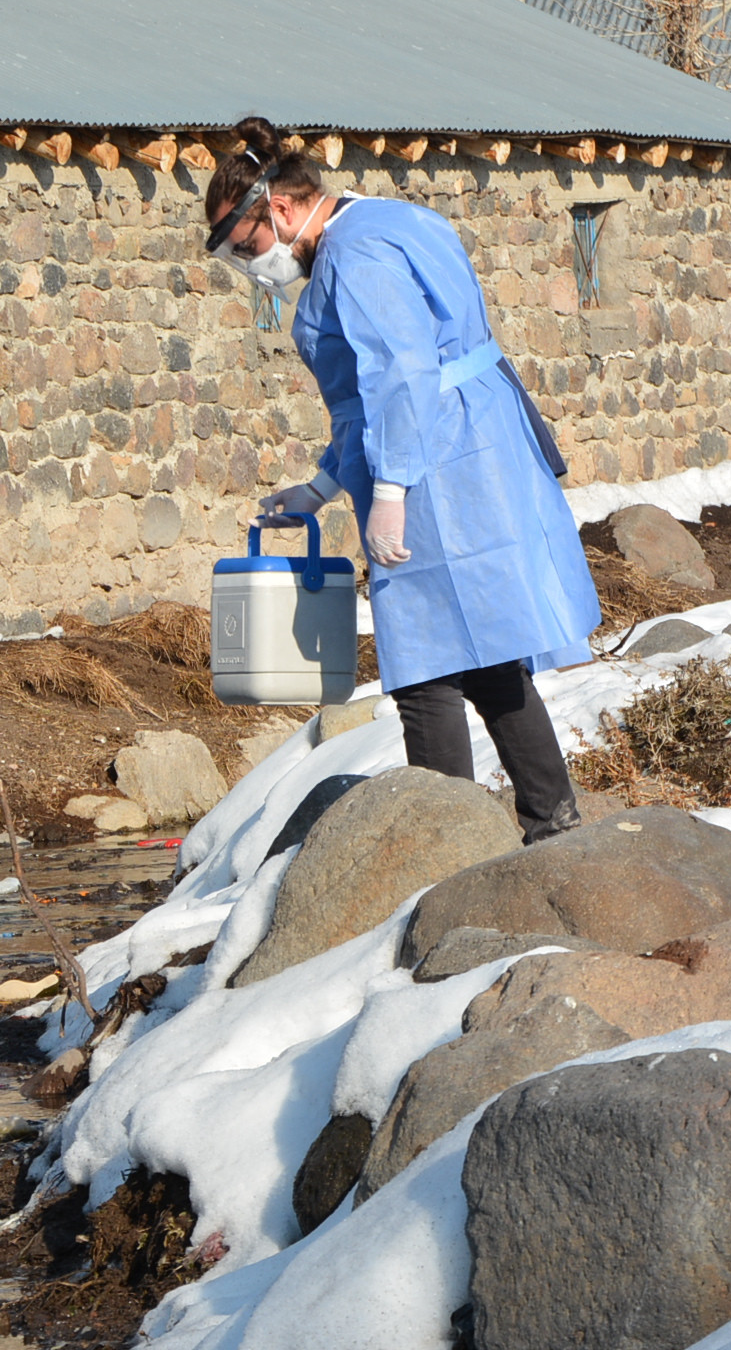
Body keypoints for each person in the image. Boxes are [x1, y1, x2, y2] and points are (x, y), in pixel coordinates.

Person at [206, 117, 599, 840]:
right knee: (488, 651)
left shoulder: (354, 260)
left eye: (249, 247)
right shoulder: (389, 219)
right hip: (466, 447)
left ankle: (445, 847)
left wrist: (390, 492)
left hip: (433, 461)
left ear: (283, 209)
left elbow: (400, 375)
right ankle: (553, 819)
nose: (253, 265)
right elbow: (368, 394)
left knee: (423, 673)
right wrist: (325, 487)